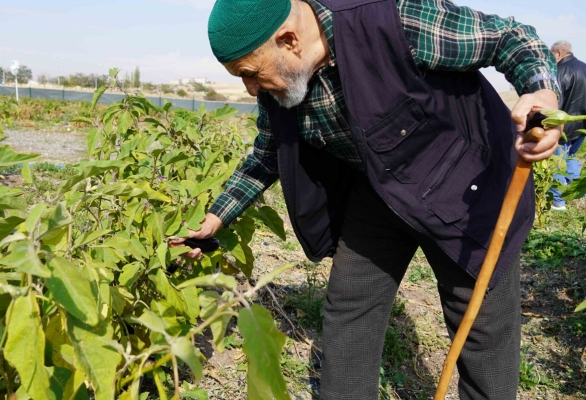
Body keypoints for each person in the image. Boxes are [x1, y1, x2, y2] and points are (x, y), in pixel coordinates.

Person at [173, 0, 561, 398]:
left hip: (464, 188)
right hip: (380, 189)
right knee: (349, 309)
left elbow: (511, 38)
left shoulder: (393, 20)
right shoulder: (284, 79)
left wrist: (544, 94)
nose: (251, 89)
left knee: (480, 328)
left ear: (289, 40)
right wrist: (218, 217)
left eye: (251, 75)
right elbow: (268, 153)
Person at [549, 40, 586, 210]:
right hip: (582, 125)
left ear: (558, 54)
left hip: (564, 125)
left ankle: (558, 201)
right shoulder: (584, 67)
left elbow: (555, 102)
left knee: (556, 162)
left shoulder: (558, 71)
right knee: (571, 157)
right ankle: (579, 195)